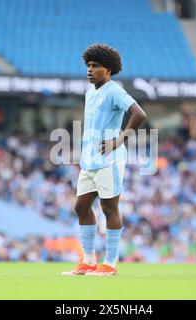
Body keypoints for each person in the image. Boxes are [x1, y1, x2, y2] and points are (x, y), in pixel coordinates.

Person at [62, 44, 147, 276]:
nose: (90, 70)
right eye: (88, 65)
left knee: (109, 208)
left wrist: (119, 141)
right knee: (81, 206)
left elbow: (139, 114)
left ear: (108, 69)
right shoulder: (91, 93)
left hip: (109, 159)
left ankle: (110, 264)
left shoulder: (114, 90)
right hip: (90, 159)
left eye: (95, 66)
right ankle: (88, 261)